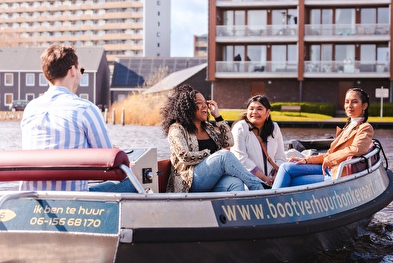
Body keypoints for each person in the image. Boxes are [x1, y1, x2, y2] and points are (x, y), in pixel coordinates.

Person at [20, 42, 137, 193]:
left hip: (32, 200)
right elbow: (109, 164)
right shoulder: (84, 109)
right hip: (75, 203)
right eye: (81, 69)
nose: (81, 74)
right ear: (72, 70)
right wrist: (129, 166)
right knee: (135, 178)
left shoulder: (31, 109)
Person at [160, 84, 267, 193]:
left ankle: (232, 209)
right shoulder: (177, 129)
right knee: (224, 155)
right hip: (188, 182)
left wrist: (218, 117)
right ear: (187, 107)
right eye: (199, 103)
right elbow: (184, 157)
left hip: (209, 180)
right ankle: (258, 187)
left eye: (205, 103)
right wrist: (209, 154)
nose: (205, 106)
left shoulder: (207, 128)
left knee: (235, 183)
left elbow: (229, 142)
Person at [272, 87, 374, 189]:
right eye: (347, 102)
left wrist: (330, 159)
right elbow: (330, 154)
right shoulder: (349, 126)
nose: (349, 106)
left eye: (354, 102)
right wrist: (307, 160)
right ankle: (272, 198)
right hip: (329, 167)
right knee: (286, 167)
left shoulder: (365, 127)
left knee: (292, 180)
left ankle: (268, 200)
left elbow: (356, 149)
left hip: (337, 172)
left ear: (364, 105)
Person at [231, 95, 287, 187]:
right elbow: (241, 159)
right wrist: (264, 178)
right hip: (249, 181)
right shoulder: (240, 127)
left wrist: (276, 176)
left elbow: (280, 156)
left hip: (273, 179)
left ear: (268, 112)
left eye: (259, 109)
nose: (254, 112)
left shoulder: (274, 128)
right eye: (251, 109)